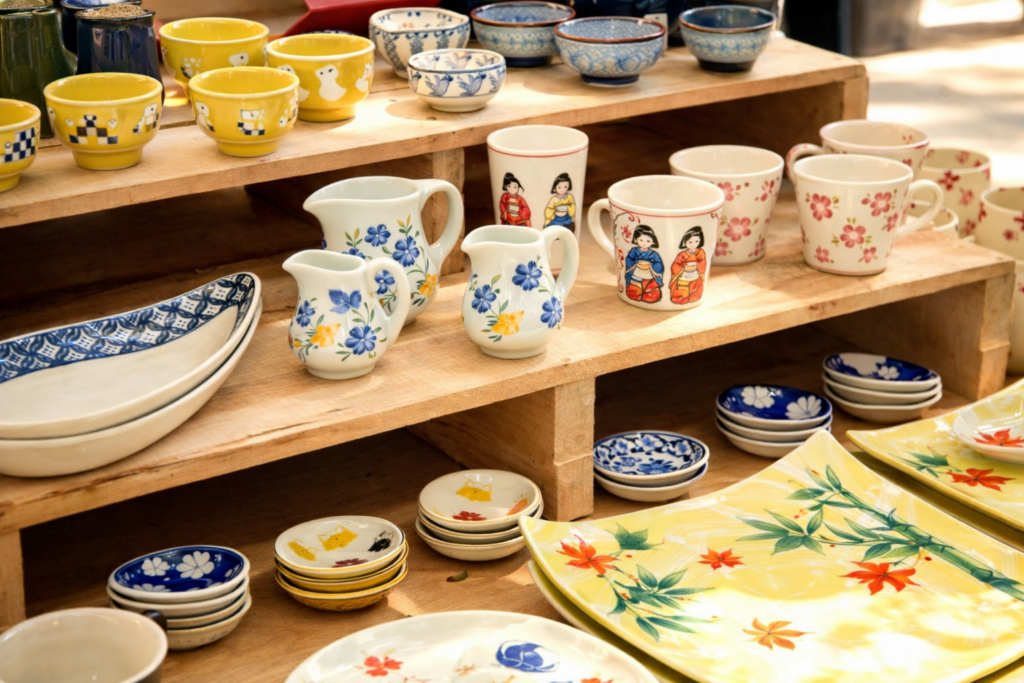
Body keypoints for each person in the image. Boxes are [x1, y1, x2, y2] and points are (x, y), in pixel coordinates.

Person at [624, 225, 663, 303]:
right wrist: (636, 263)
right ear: (636, 239)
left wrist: (651, 265)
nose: (644, 243)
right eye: (641, 240)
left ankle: (648, 297)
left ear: (653, 242)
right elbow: (629, 259)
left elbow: (659, 263)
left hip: (649, 275)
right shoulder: (634, 251)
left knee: (651, 292)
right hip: (636, 274)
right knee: (634, 291)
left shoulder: (654, 254)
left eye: (648, 241)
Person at [670, 226, 707, 305]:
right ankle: (682, 298)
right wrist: (683, 267)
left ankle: (694, 298)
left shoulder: (700, 252)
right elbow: (676, 264)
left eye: (696, 241)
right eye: (690, 242)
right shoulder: (682, 254)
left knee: (696, 286)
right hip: (683, 274)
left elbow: (702, 262)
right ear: (685, 242)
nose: (693, 244)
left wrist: (697, 266)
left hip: (695, 273)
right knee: (681, 288)